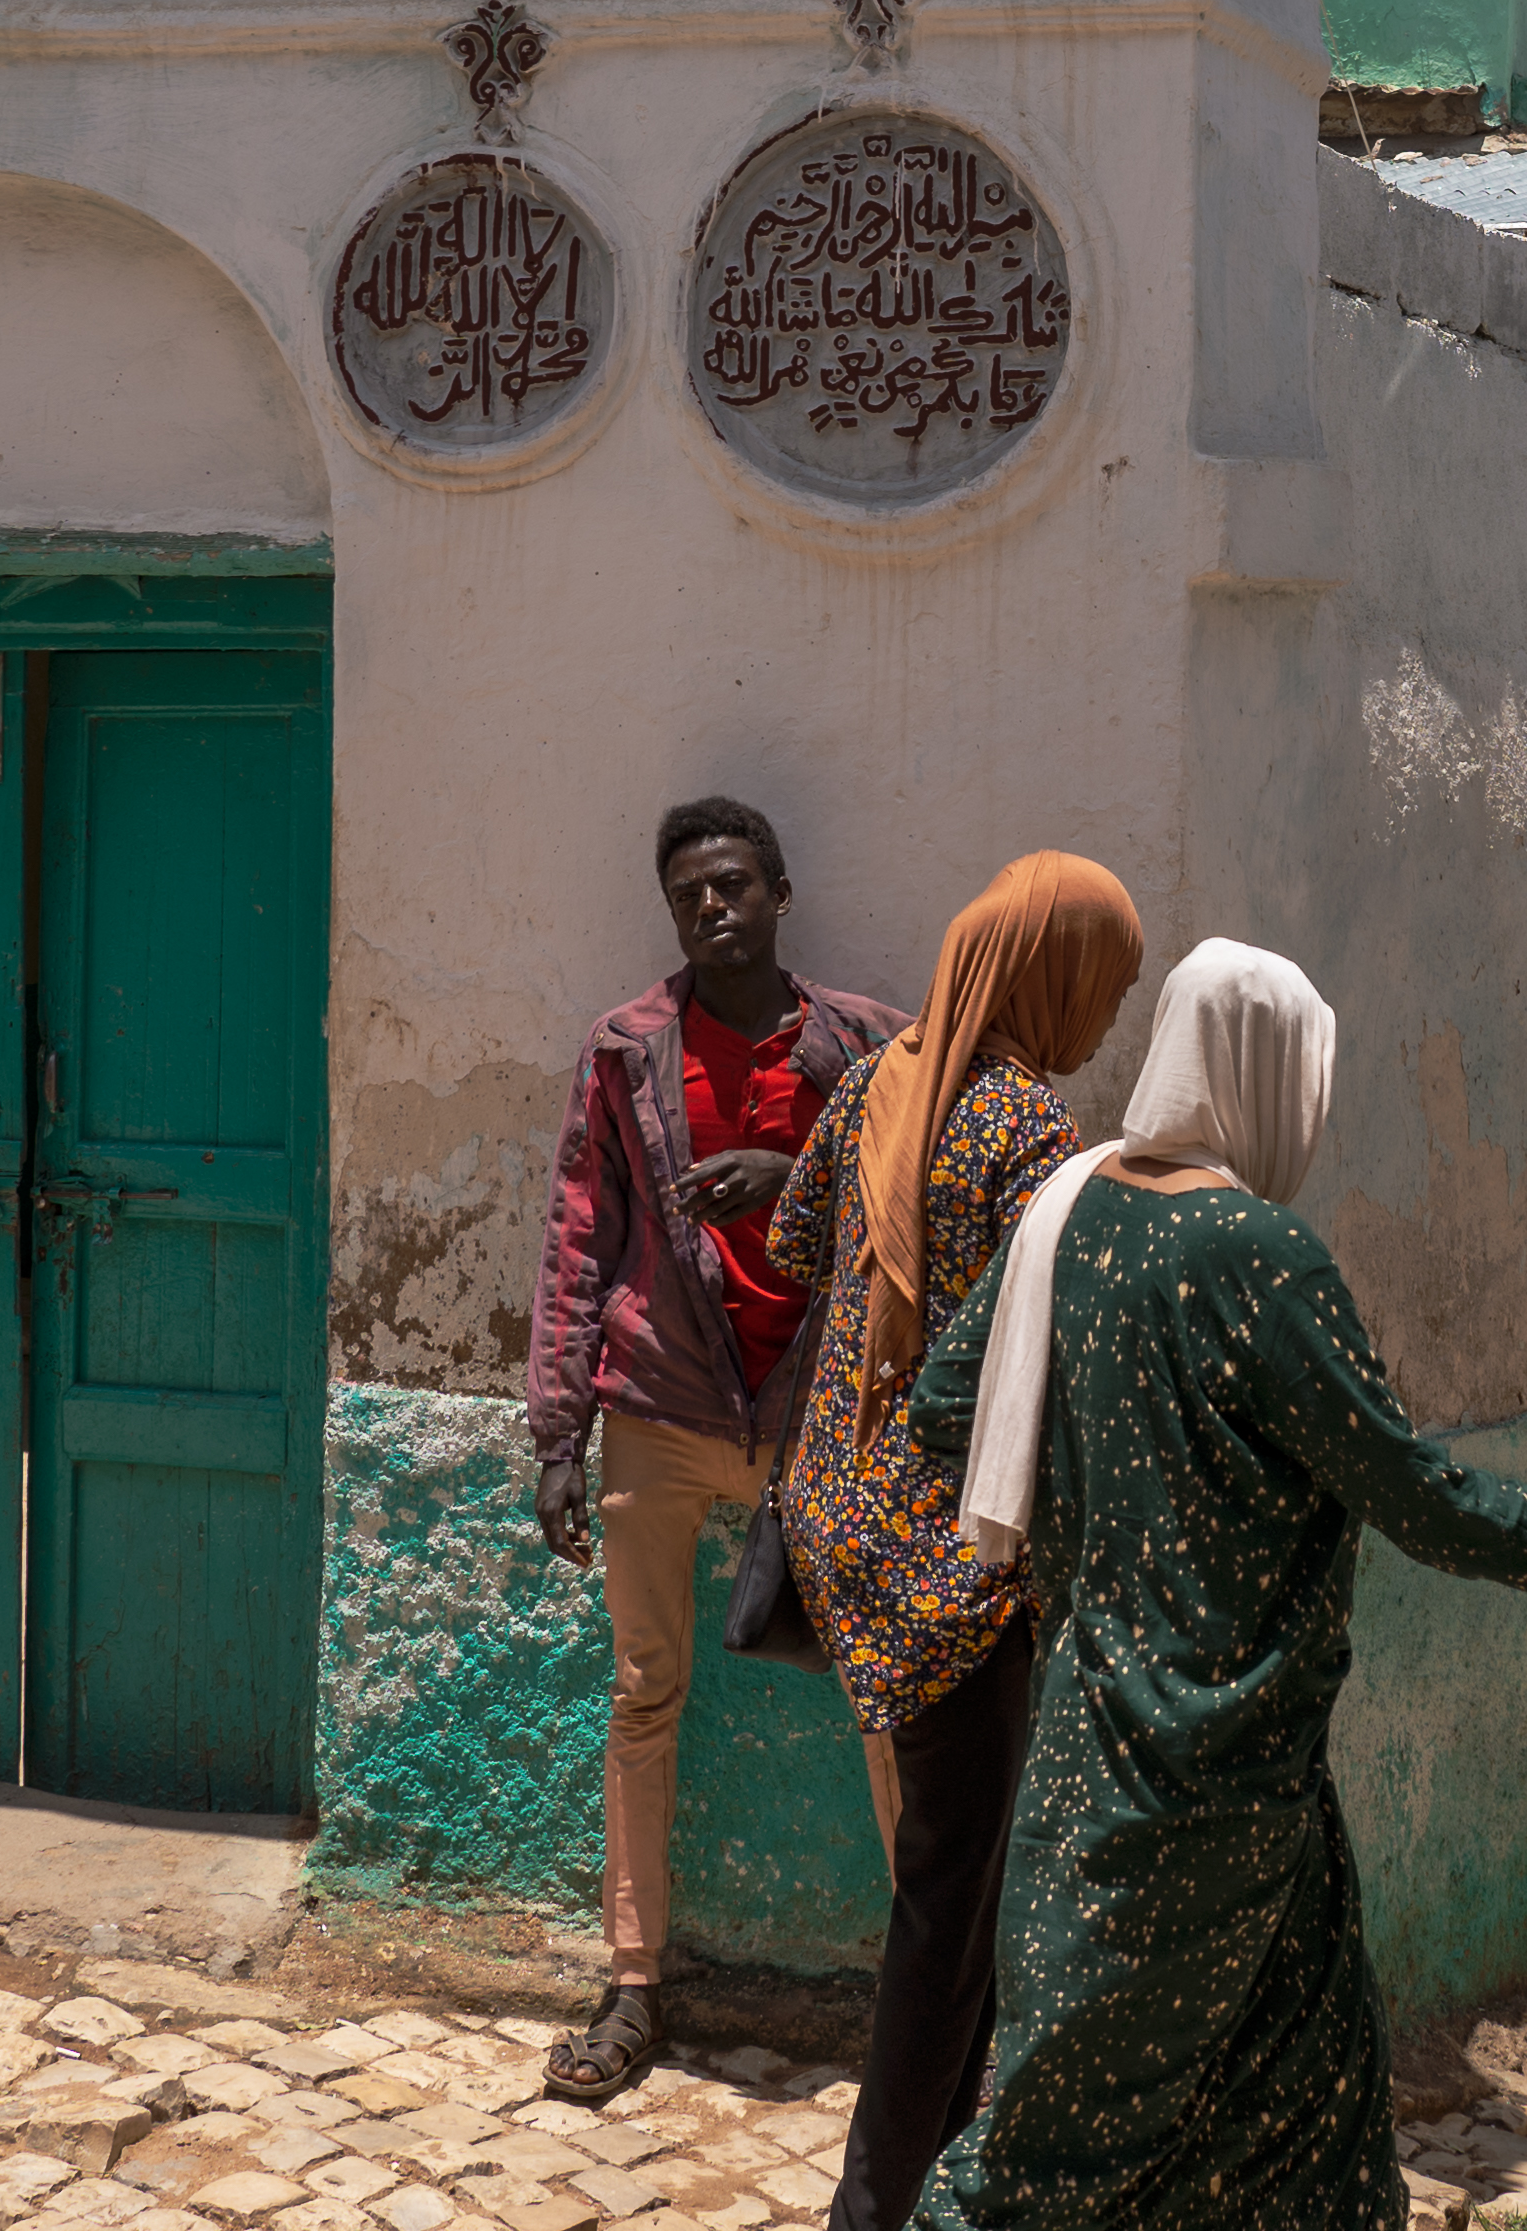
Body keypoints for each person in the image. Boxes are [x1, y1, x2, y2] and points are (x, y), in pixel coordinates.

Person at [906, 943, 1527, 2231]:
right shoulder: (1257, 1255)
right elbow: (1414, 1494)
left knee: (1306, 2130)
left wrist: (1107, 1499)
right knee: (1044, 2152)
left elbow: (946, 1403)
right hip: (1197, 1787)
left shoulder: (1066, 1208)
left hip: (1144, 1749)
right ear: (1256, 1073)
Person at [759, 852, 1152, 2231]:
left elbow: (800, 1241)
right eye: (1102, 986)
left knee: (959, 1875)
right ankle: (874, 2206)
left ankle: (956, 2178)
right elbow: (1046, 1365)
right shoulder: (1033, 1134)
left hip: (844, 1528)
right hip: (954, 1569)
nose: (1107, 1018)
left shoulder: (878, 1082)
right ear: (1046, 976)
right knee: (948, 1898)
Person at [524, 795, 907, 2105]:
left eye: (736, 883)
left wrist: (787, 1170)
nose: (713, 905)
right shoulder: (627, 1049)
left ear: (782, 890)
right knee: (644, 1693)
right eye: (690, 891)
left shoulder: (864, 1044)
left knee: (887, 1692)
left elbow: (933, 1171)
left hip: (817, 1420)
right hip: (661, 1412)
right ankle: (633, 1987)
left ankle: (931, 1991)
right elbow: (582, 1227)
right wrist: (559, 1428)